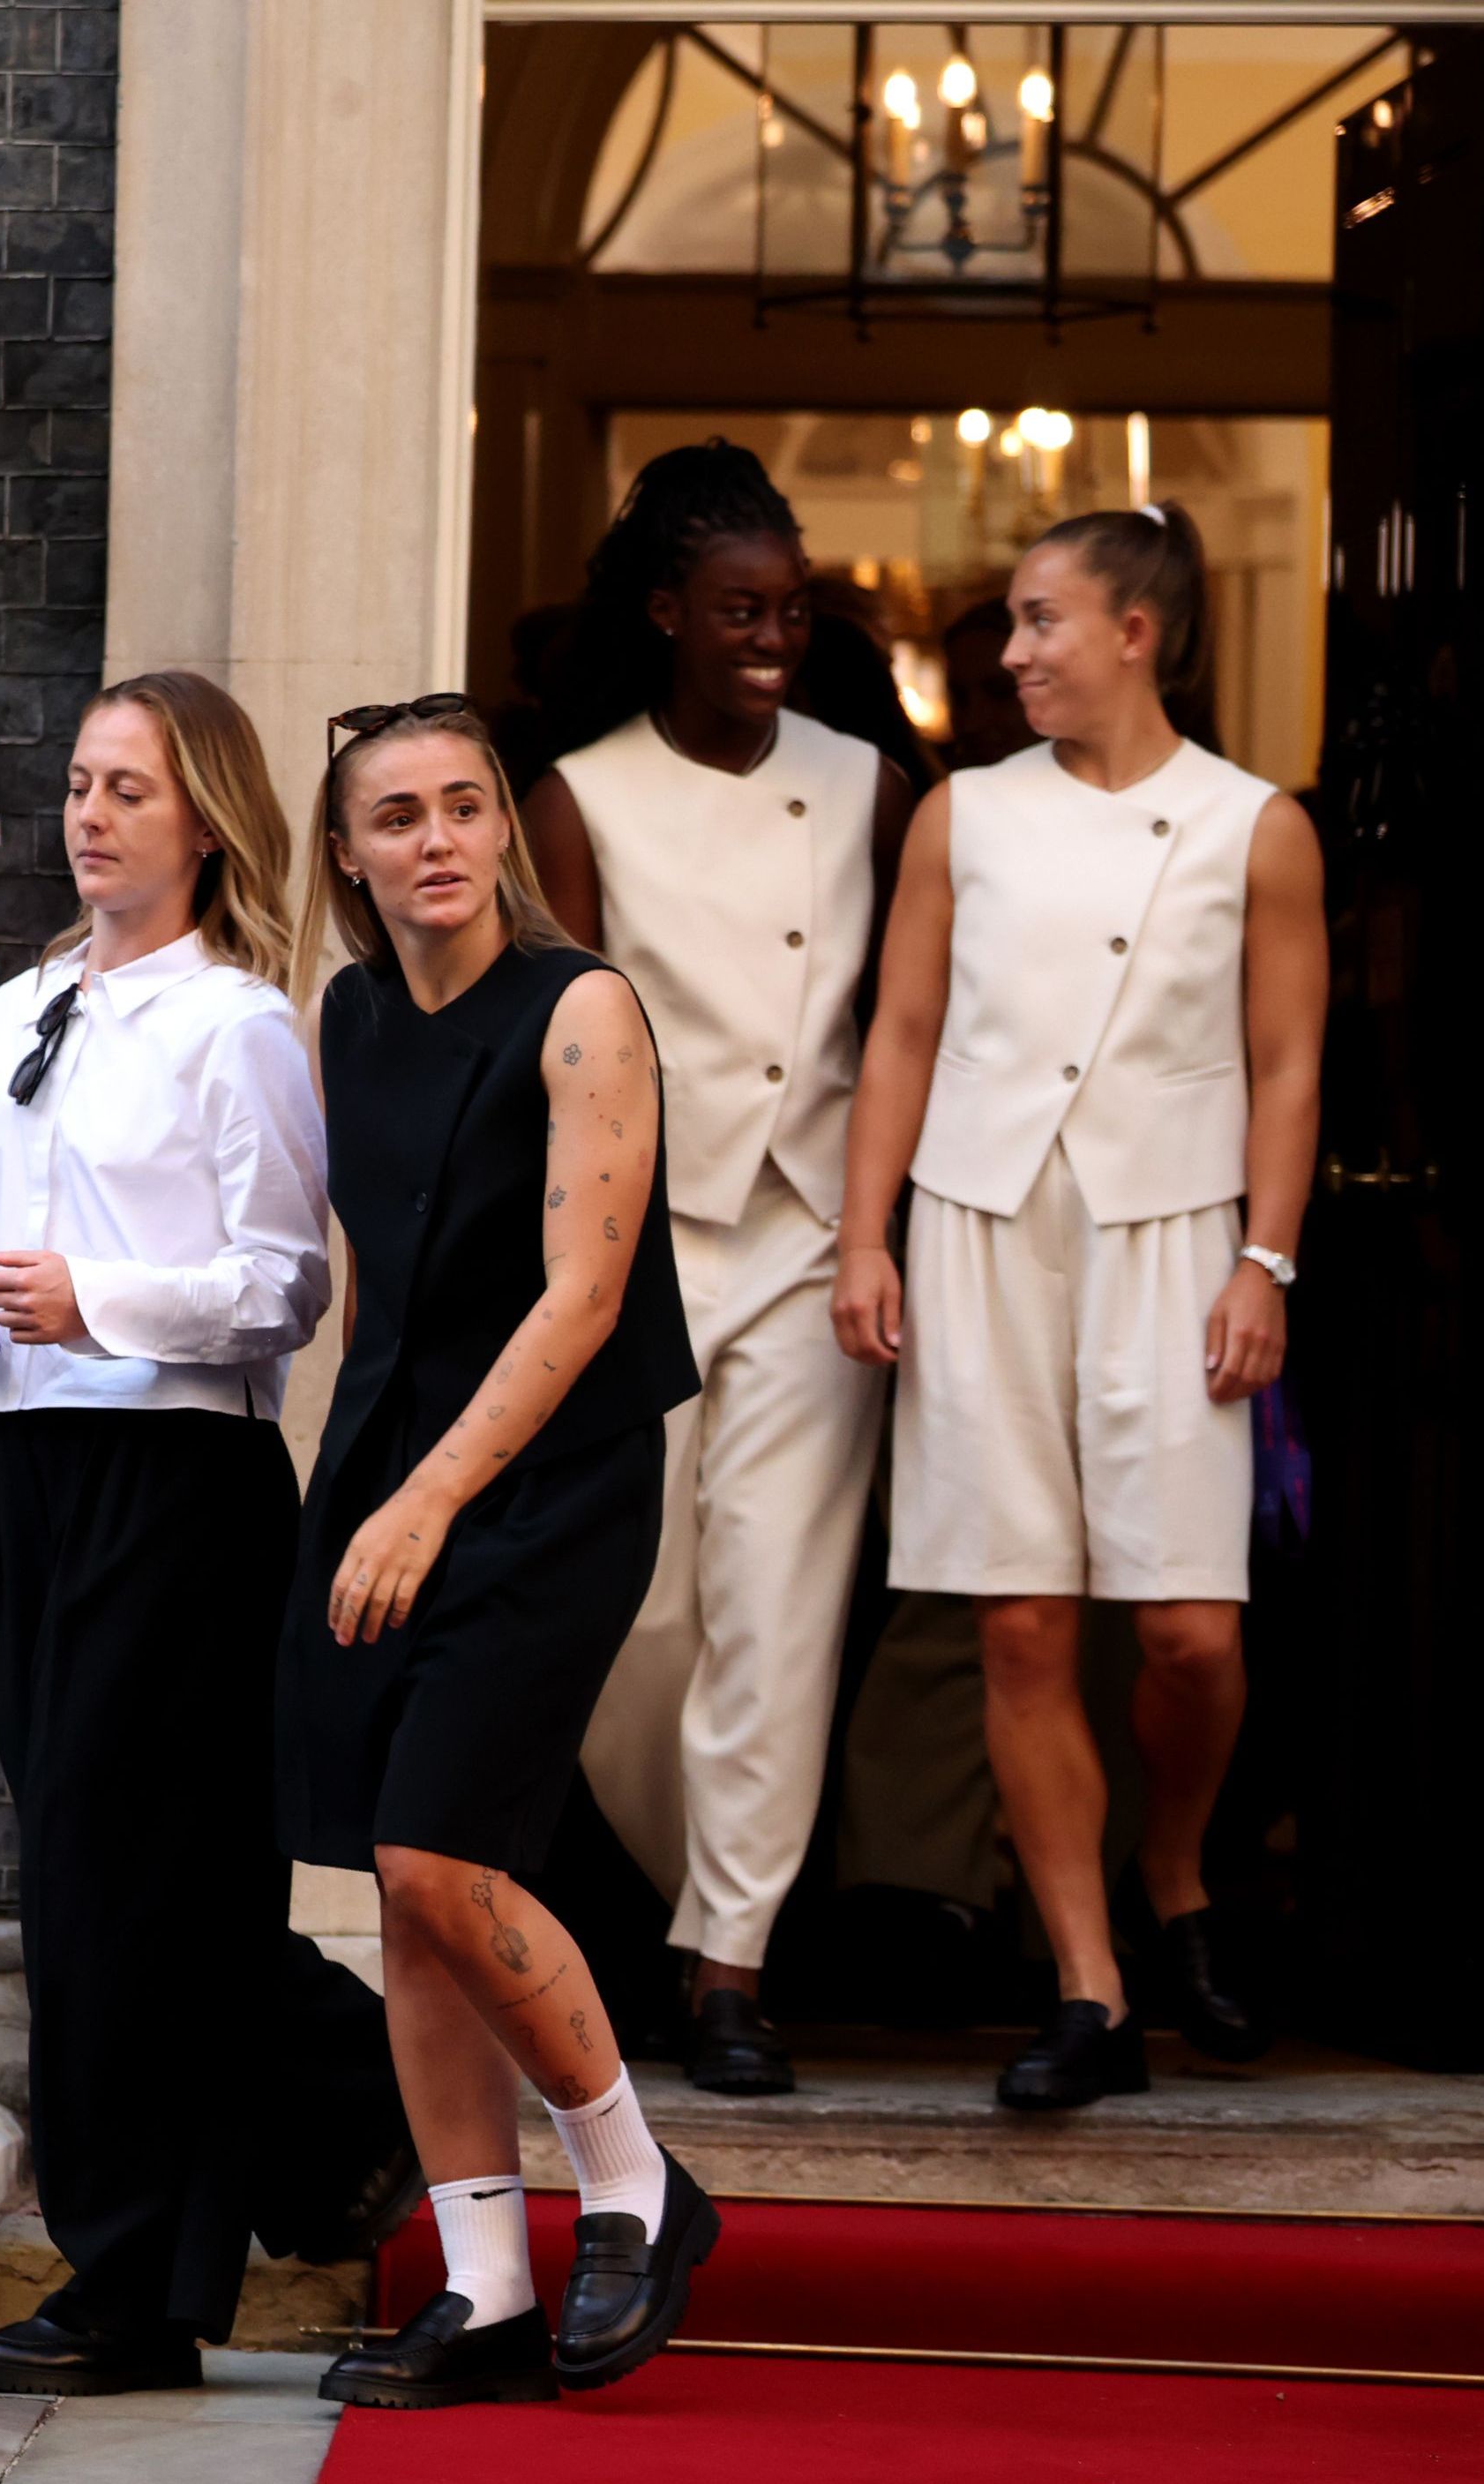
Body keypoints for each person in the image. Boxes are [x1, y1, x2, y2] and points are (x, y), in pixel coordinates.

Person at [0, 672, 413, 2398]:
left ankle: (134, 2279)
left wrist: (88, 1295)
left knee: (120, 1887)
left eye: (133, 789)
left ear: (205, 822)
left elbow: (285, 1286)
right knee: (101, 1880)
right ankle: (346, 2099)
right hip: (27, 1470)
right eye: (84, 781)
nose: (92, 813)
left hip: (175, 1484)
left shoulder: (239, 1025)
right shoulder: (25, 1004)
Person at [833, 505, 1323, 2111]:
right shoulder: (962, 816)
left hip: (1177, 1238)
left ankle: (1175, 1868)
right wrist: (866, 1236)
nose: (1014, 653)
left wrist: (1268, 1258)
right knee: (1022, 1617)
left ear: (1137, 631)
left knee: (1187, 1628)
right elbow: (899, 1033)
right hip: (981, 1227)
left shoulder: (1256, 826)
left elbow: (1286, 1063)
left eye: (1042, 621)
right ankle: (1090, 1983)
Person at [280, 696, 712, 2411]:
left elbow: (584, 1299)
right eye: (399, 816)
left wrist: (426, 1499)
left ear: (504, 835)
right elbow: (382, 1281)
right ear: (349, 852)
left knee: (445, 1851)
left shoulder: (585, 1007)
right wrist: (359, 1480)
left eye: (466, 807)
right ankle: (482, 2286)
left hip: (555, 1476)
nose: (438, 839)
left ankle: (634, 2179)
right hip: (394, 1463)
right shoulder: (353, 1014)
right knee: (401, 1885)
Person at [523, 442, 916, 2097]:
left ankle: (731, 1961)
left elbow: (907, 1023)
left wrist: (884, 1231)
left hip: (815, 1241)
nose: (774, 635)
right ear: (671, 612)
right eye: (742, 609)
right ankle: (690, 1890)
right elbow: (547, 1049)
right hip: (644, 1251)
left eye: (795, 609)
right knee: (644, 1616)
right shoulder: (583, 791)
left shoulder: (869, 779)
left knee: (784, 1608)